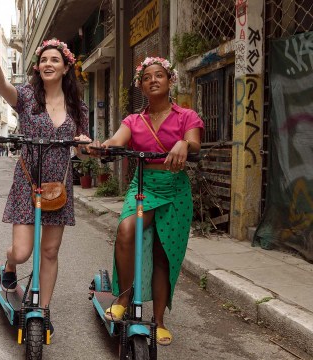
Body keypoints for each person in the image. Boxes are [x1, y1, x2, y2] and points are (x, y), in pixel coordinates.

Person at [0, 29, 91, 335]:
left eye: (55, 59)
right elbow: (1, 86)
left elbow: (81, 146)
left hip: (60, 183)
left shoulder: (76, 105)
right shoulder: (27, 96)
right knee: (22, 251)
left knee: (51, 252)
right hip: (28, 181)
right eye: (44, 59)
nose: (48, 63)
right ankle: (9, 267)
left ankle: (42, 309)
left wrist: (85, 141)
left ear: (66, 67)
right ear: (37, 67)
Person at [87, 56, 203, 346]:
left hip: (176, 190)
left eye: (159, 75)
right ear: (141, 85)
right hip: (144, 186)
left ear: (170, 80)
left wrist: (184, 143)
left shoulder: (186, 116)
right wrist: (102, 147)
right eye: (147, 76)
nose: (153, 79)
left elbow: (195, 142)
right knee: (127, 231)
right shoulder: (133, 121)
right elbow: (116, 140)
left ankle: (160, 321)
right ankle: (124, 297)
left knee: (163, 255)